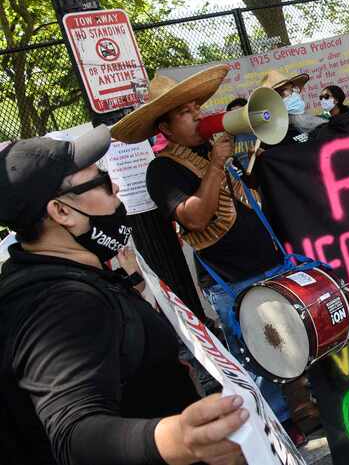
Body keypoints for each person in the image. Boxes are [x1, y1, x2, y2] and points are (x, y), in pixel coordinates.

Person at [0, 126, 248, 464]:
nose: (115, 187)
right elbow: (73, 434)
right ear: (61, 212)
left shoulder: (55, 275)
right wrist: (180, 439)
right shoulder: (60, 303)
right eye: (101, 182)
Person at [110, 66, 316, 439]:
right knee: (258, 357)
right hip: (232, 279)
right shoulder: (162, 171)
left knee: (297, 339)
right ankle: (279, 427)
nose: (197, 117)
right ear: (166, 129)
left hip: (271, 263)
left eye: (195, 108)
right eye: (185, 113)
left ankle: (309, 408)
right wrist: (218, 164)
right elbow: (195, 216)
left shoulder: (213, 148)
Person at [261, 69, 325, 141]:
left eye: (293, 88)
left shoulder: (321, 127)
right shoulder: (273, 141)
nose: (294, 94)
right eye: (283, 91)